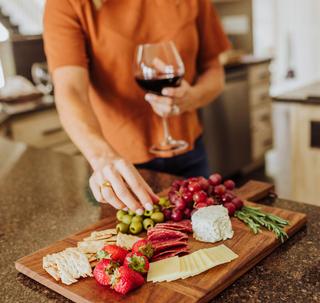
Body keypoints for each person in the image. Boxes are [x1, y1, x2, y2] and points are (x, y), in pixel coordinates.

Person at [43, 0, 230, 214]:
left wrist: (193, 97)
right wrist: (103, 159)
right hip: (123, 169)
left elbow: (214, 71)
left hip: (190, 153)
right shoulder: (67, 3)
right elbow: (70, 91)